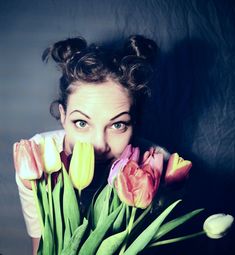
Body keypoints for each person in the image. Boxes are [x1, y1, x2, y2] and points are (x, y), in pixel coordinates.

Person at [14, 35, 169, 254]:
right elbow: (42, 245)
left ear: (135, 123)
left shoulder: (154, 164)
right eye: (81, 122)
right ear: (62, 115)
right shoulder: (36, 157)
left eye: (117, 125)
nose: (99, 144)